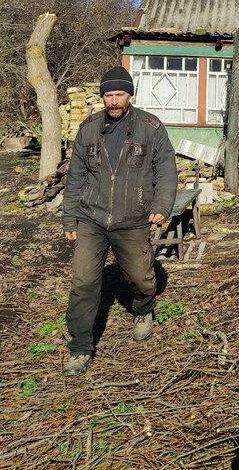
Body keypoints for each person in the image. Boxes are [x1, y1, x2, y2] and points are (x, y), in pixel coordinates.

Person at [60, 65, 178, 377]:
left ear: (130, 95)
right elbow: (75, 177)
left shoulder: (151, 128)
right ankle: (80, 349)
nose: (113, 100)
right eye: (108, 95)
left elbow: (166, 169)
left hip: (133, 217)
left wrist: (162, 204)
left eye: (119, 94)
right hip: (91, 217)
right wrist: (69, 219)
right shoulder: (88, 128)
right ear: (102, 97)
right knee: (84, 282)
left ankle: (143, 310)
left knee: (141, 278)